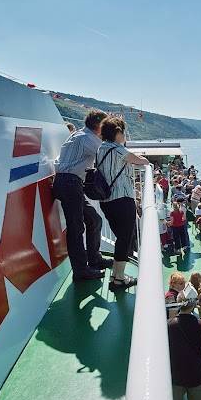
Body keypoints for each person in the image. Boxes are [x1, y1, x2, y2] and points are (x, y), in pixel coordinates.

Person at [53, 110, 110, 281]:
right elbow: (107, 156)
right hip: (70, 183)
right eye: (105, 125)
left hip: (67, 182)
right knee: (76, 228)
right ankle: (81, 270)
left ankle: (94, 259)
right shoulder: (89, 139)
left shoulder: (79, 135)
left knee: (94, 219)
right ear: (99, 126)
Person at [96, 117, 150, 289]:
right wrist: (144, 161)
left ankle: (116, 275)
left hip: (106, 201)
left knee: (122, 238)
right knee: (125, 238)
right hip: (122, 199)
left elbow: (130, 158)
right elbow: (141, 161)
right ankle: (118, 278)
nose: (124, 135)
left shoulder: (101, 148)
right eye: (123, 131)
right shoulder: (118, 149)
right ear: (118, 132)